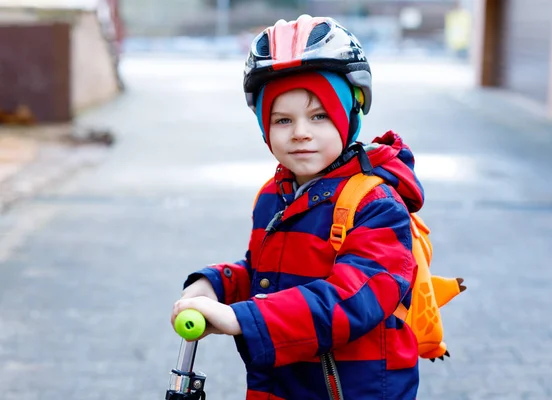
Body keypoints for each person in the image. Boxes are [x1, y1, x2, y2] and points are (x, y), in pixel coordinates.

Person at [171, 14, 424, 400]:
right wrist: (217, 284)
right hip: (281, 385)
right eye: (283, 119)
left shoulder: (377, 205)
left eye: (319, 116)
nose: (300, 132)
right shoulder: (274, 194)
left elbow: (351, 300)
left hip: (351, 390)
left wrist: (243, 317)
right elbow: (266, 273)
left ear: (348, 116)